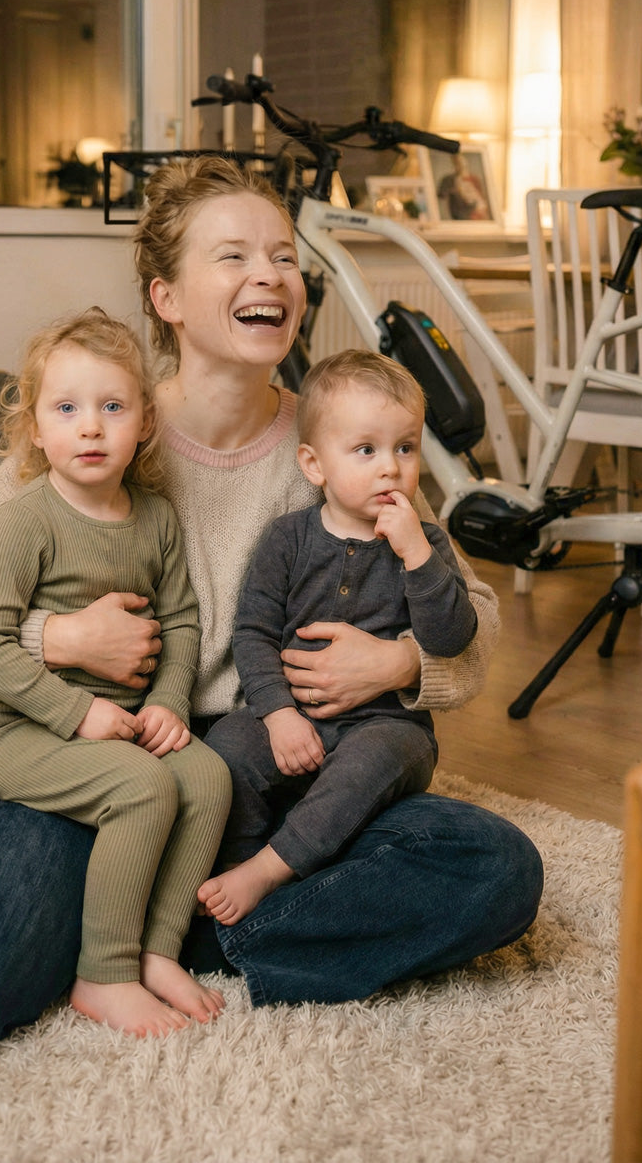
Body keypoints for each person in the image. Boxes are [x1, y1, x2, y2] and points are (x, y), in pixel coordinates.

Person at [0, 155, 543, 1039]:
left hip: (279, 771)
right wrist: (58, 639)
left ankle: (179, 927)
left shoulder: (343, 440)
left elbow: (471, 622)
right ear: (165, 297)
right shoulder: (97, 431)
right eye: (233, 256)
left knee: (492, 867)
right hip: (120, 763)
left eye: (284, 256)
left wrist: (399, 660)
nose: (268, 276)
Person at [0, 307, 230, 1036]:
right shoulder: (25, 520)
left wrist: (170, 700)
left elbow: (179, 619)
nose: (89, 427)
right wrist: (78, 714)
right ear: (35, 429)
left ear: (144, 422)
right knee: (142, 788)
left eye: (112, 407)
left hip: (125, 719)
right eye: (67, 409)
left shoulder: (154, 517)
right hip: (29, 731)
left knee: (206, 778)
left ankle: (156, 951)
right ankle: (102, 974)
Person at [199, 350, 476, 925]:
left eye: (405, 447)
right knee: (227, 747)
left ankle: (271, 870)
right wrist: (277, 715)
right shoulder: (287, 539)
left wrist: (418, 555)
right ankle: (236, 868)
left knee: (374, 761)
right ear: (314, 464)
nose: (390, 468)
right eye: (366, 450)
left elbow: (452, 638)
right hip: (291, 717)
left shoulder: (425, 543)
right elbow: (252, 632)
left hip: (386, 726)